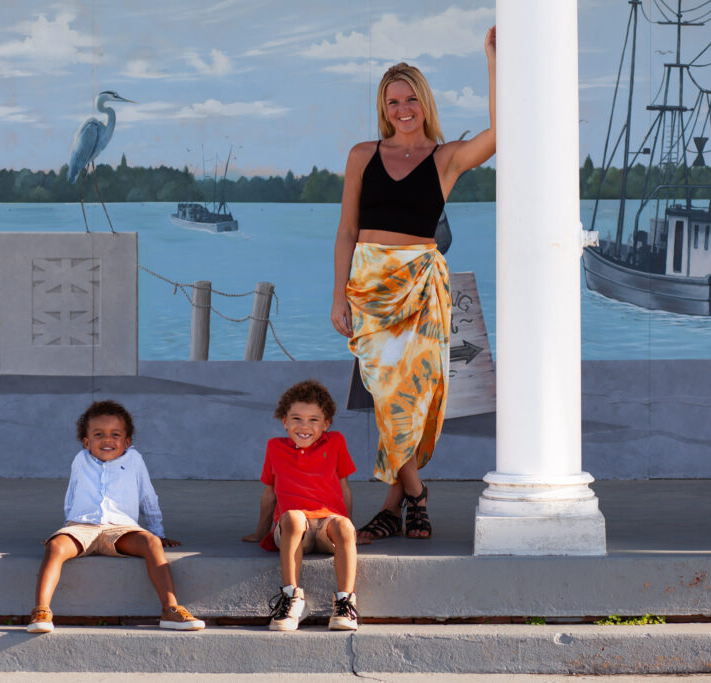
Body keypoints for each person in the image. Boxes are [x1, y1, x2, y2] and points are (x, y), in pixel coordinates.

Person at [330, 27, 497, 542]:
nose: (403, 109)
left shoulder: (446, 158)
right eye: (393, 101)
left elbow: (503, 132)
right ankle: (416, 495)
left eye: (411, 99)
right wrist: (339, 294)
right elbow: (346, 229)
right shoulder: (362, 154)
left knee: (414, 399)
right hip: (371, 285)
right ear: (384, 108)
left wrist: (493, 59)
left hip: (422, 285)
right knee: (385, 395)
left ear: (424, 103)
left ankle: (394, 507)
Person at [27, 399, 204, 633]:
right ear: (86, 441)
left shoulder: (134, 461)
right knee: (55, 548)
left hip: (121, 530)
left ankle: (170, 609)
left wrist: (158, 532)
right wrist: (64, 530)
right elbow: (72, 496)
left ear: (127, 441)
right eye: (98, 434)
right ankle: (41, 611)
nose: (107, 440)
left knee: (150, 542)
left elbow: (147, 497)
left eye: (115, 434)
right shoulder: (81, 460)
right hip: (82, 526)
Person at [242, 380, 361, 631]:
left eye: (314, 420)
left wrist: (350, 529)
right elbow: (269, 493)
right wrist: (261, 530)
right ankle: (292, 597)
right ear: (284, 421)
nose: (304, 426)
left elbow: (344, 487)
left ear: (326, 423)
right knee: (294, 517)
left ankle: (345, 603)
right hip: (294, 529)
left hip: (328, 526)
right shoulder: (275, 447)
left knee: (342, 524)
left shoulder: (336, 442)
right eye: (296, 418)